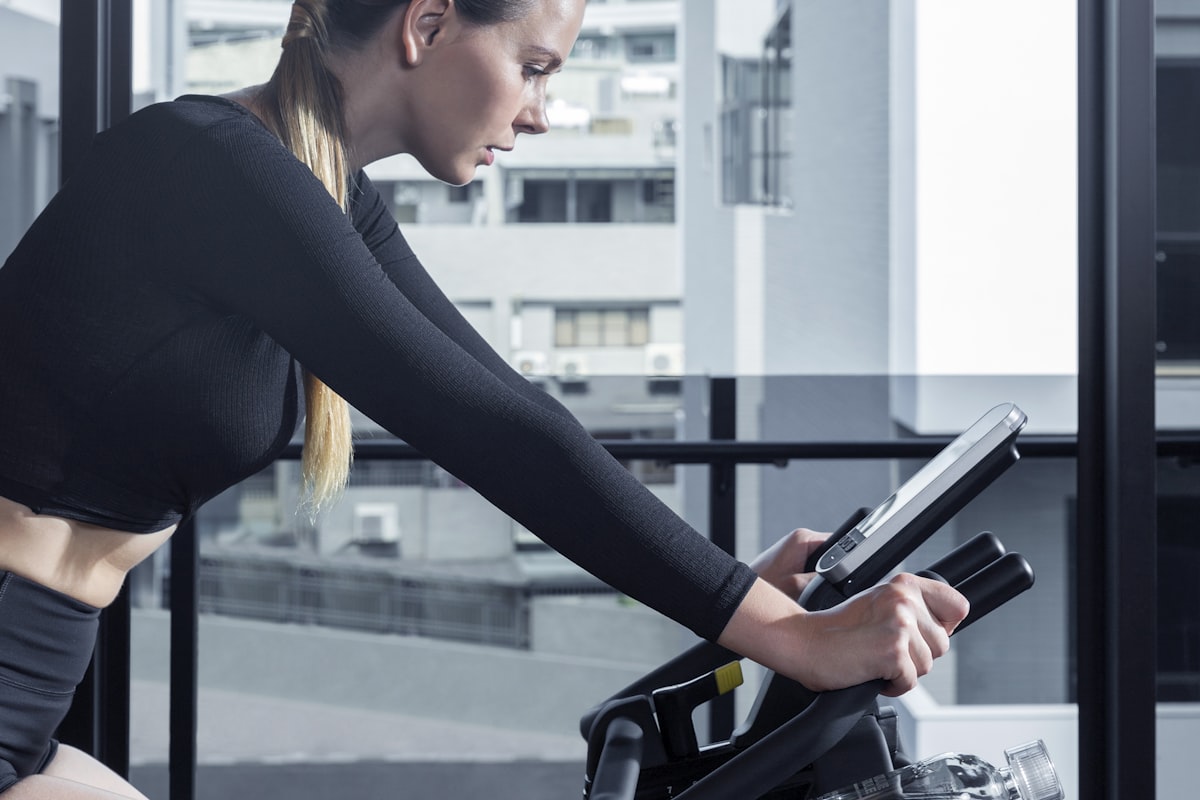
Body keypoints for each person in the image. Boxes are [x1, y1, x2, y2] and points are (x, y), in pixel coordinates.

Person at [0, 1, 968, 797]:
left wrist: (744, 593)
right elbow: (482, 426)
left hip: (30, 680)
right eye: (536, 67)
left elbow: (505, 396)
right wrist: (785, 634)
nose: (543, 113)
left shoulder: (322, 190)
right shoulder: (202, 159)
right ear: (426, 26)